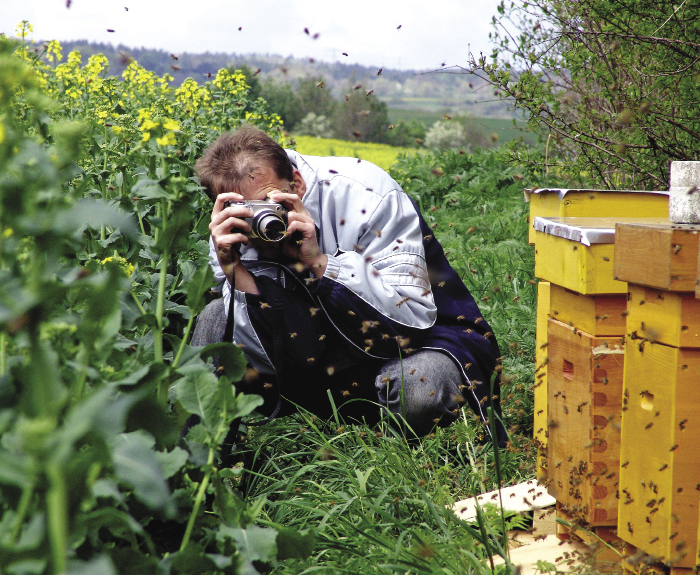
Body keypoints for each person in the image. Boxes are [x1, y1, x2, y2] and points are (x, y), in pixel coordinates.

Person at [191, 125, 505, 442]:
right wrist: (236, 273)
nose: (259, 222)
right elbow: (263, 355)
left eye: (268, 205)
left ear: (296, 184)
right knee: (215, 318)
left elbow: (412, 315)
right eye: (245, 212)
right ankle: (196, 469)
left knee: (424, 386)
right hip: (310, 361)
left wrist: (318, 263)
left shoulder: (365, 192)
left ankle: (401, 459)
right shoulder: (230, 233)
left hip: (406, 349)